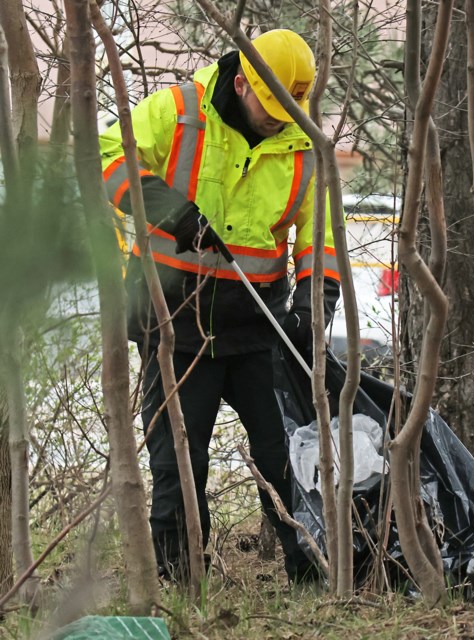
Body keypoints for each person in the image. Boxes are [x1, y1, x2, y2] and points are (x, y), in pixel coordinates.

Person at [99, 29, 341, 584]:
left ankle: (316, 576)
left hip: (259, 323)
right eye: (273, 105)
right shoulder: (180, 112)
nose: (282, 117)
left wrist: (311, 309)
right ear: (241, 83)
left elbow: (321, 242)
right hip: (172, 323)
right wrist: (173, 212)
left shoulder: (305, 144)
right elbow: (107, 154)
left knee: (287, 459)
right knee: (179, 464)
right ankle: (184, 586)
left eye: (292, 107)